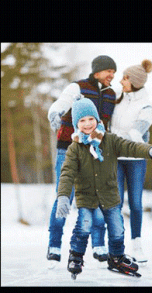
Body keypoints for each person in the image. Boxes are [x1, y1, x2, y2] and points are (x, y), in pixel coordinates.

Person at [55, 98, 152, 278]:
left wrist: (150, 150)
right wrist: (63, 197)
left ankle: (116, 257)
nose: (87, 123)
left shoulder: (110, 140)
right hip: (87, 198)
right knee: (84, 226)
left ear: (98, 120)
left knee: (117, 228)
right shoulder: (75, 148)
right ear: (76, 124)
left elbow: (131, 147)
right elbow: (67, 174)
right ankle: (75, 256)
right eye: (82, 121)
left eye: (90, 119)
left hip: (110, 196)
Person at [46, 55, 117, 266]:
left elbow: (118, 120)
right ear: (97, 72)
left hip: (95, 153)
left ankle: (98, 245)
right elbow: (61, 103)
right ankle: (54, 245)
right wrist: (55, 113)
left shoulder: (112, 94)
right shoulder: (78, 87)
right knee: (64, 196)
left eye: (114, 72)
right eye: (108, 71)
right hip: (67, 149)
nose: (112, 75)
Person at [109, 59, 152, 263]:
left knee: (135, 203)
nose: (121, 81)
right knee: (116, 203)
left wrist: (119, 135)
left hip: (136, 159)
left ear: (135, 81)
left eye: (125, 78)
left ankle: (137, 244)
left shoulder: (147, 107)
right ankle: (116, 245)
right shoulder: (118, 101)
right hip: (116, 158)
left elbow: (136, 132)